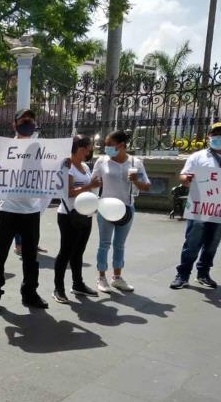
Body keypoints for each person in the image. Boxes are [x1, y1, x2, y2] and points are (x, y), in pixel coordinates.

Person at [0, 109, 49, 314]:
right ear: (15, 124)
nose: (27, 124)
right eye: (23, 121)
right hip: (9, 211)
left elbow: (50, 174)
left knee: (31, 257)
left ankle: (30, 293)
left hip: (31, 212)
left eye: (31, 120)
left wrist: (62, 166)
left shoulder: (41, 148)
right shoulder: (5, 149)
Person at [170, 122, 221, 289]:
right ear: (208, 136)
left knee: (213, 242)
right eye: (215, 133)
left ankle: (203, 273)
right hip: (200, 205)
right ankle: (182, 274)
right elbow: (182, 177)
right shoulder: (197, 157)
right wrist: (187, 179)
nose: (218, 137)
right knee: (192, 241)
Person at [91, 130, 150, 293]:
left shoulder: (135, 162)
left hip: (126, 208)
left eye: (110, 145)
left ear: (122, 146)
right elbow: (93, 182)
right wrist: (94, 184)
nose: (106, 147)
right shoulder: (102, 161)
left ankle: (117, 277)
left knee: (119, 245)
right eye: (106, 144)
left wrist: (136, 181)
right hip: (106, 207)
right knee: (104, 244)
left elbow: (146, 185)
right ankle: (101, 277)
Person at [52, 135, 101, 303]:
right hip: (68, 215)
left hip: (85, 214)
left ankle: (77, 284)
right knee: (65, 252)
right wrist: (89, 186)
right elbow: (68, 192)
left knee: (78, 251)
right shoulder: (67, 166)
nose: (89, 151)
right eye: (87, 148)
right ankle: (58, 288)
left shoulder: (85, 167)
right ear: (79, 148)